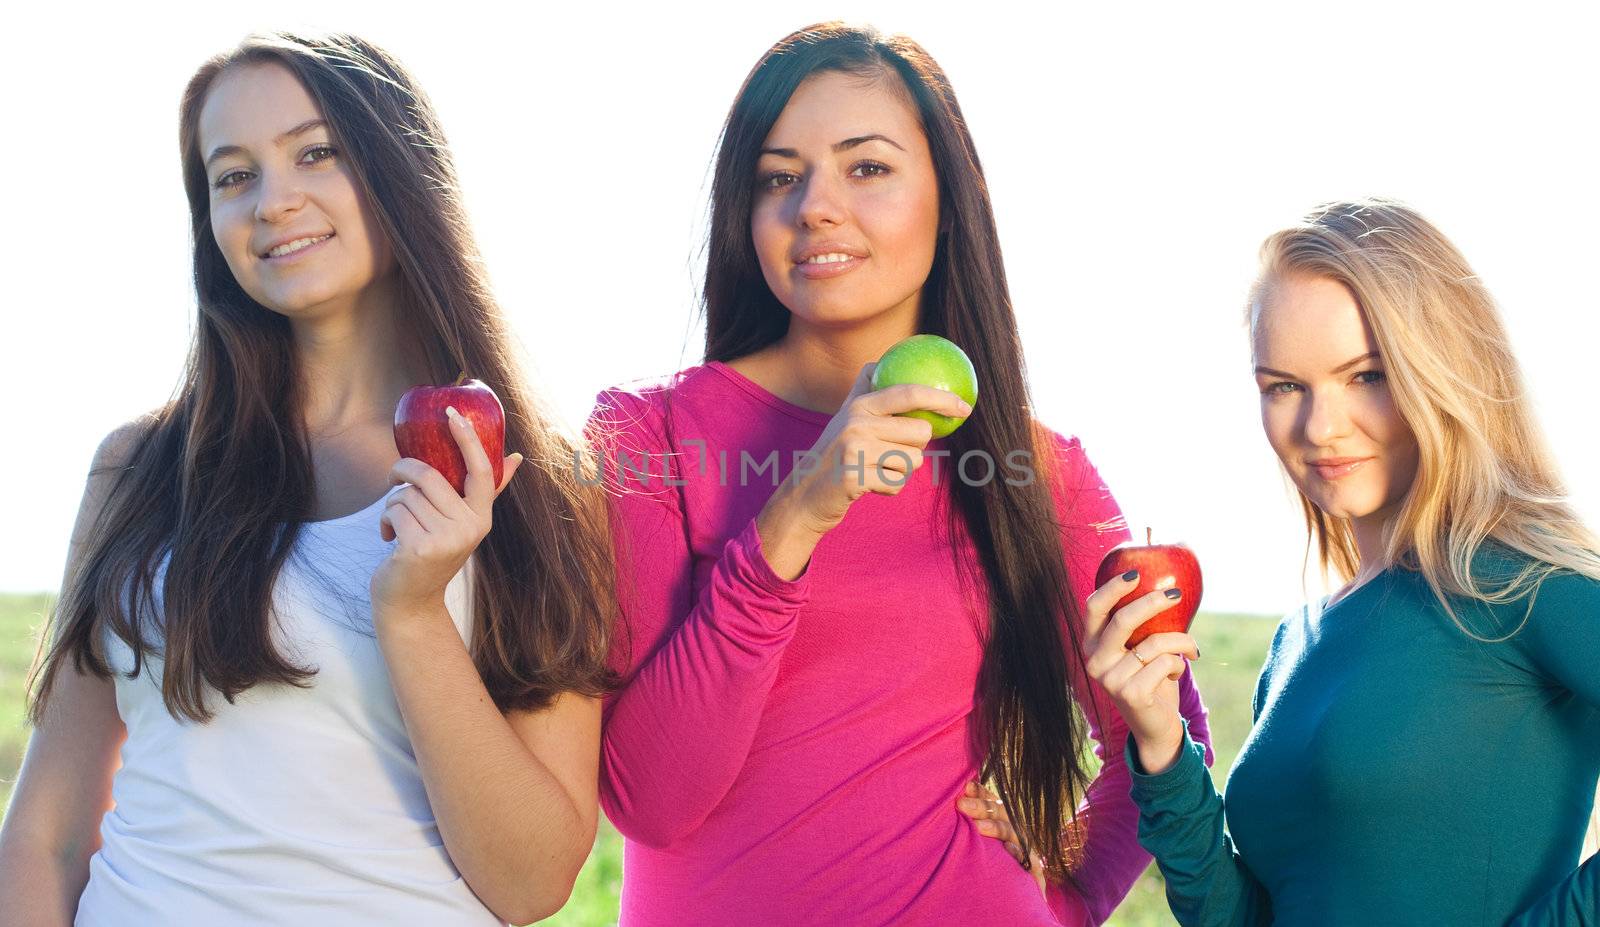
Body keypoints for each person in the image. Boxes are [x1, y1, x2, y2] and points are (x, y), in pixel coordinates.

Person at [587, 22, 1211, 926]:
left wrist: (1067, 887)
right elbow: (649, 798)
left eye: (867, 167)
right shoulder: (646, 434)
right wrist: (796, 513)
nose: (815, 206)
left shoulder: (1040, 474)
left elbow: (1165, 731)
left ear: (948, 199)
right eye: (778, 176)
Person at [0, 33, 615, 926]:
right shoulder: (140, 469)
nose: (273, 201)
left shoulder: (532, 482)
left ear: (400, 174)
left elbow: (529, 885)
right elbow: (47, 832)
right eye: (233, 175)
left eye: (316, 152)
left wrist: (412, 615)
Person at [1089, 199, 1600, 924]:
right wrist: (1160, 739)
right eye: (1285, 386)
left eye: (1366, 375)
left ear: (1441, 369)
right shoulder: (1296, 642)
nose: (1320, 427)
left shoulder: (1522, 579)